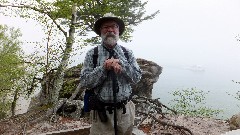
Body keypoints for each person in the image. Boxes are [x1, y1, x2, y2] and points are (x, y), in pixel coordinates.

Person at [80, 13, 142, 135]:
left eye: (114, 26)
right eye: (105, 27)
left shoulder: (127, 53)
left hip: (125, 112)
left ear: (118, 30)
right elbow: (85, 81)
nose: (110, 30)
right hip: (101, 113)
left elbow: (137, 77)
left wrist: (122, 65)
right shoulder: (92, 54)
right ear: (100, 31)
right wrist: (103, 68)